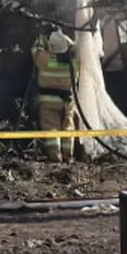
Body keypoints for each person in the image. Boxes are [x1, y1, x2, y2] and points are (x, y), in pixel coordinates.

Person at [30, 30, 76, 162]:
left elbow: (35, 51)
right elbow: (75, 47)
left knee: (51, 127)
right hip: (68, 101)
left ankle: (55, 155)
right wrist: (67, 40)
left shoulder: (47, 60)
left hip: (49, 100)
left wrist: (41, 38)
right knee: (68, 127)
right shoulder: (74, 62)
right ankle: (68, 155)